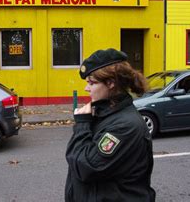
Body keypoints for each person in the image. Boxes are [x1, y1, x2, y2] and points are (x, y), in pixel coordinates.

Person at [65, 48, 156, 202]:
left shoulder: (125, 126)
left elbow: (85, 168)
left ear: (111, 83)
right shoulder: (104, 113)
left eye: (92, 83)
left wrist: (82, 126)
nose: (86, 88)